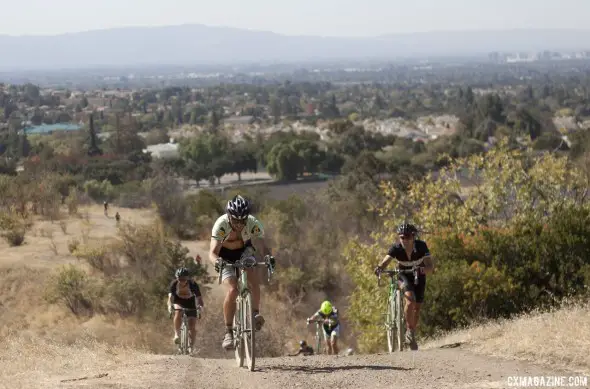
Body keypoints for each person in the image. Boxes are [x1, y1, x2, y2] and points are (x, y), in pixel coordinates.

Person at [209, 195, 276, 350]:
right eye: (235, 220)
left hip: (244, 252)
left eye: (242, 220)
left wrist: (269, 257)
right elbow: (212, 252)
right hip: (224, 256)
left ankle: (254, 314)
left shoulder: (253, 223)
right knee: (232, 290)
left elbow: (262, 245)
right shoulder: (221, 225)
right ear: (229, 216)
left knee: (253, 279)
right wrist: (217, 262)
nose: (239, 224)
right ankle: (228, 332)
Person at [374, 223, 435, 351]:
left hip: (419, 275)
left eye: (407, 237)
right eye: (402, 237)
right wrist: (380, 268)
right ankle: (408, 330)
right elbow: (385, 261)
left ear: (413, 237)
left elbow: (430, 268)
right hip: (403, 276)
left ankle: (411, 332)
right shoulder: (396, 248)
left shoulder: (422, 246)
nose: (404, 240)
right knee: (410, 300)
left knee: (417, 308)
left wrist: (422, 270)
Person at [167, 267, 204, 353]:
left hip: (190, 302)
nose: (182, 281)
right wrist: (169, 306)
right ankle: (176, 334)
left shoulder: (193, 284)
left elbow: (199, 298)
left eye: (184, 279)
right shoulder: (174, 284)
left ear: (187, 278)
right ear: (177, 278)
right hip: (178, 301)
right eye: (180, 279)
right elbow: (170, 298)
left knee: (192, 326)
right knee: (178, 312)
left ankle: (191, 345)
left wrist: (200, 307)